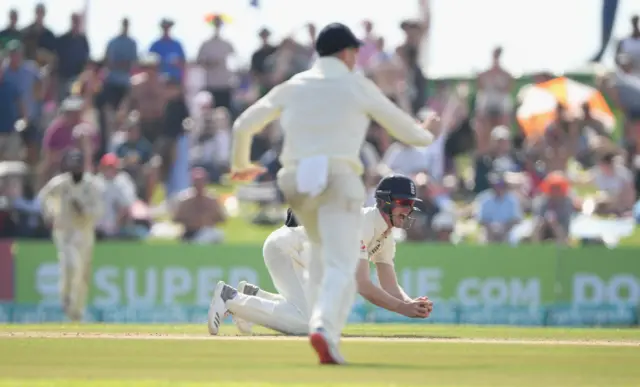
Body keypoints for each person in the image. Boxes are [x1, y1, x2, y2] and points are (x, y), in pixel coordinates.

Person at [228, 22, 438, 365]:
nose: (357, 58)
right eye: (355, 52)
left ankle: (298, 315)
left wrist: (240, 165)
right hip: (337, 180)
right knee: (342, 266)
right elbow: (408, 132)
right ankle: (324, 331)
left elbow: (243, 126)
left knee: (320, 258)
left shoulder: (293, 85)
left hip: (295, 181)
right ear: (344, 53)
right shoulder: (356, 86)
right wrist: (427, 133)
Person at [208, 175, 433, 336]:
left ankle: (253, 297)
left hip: (303, 256)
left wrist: (410, 303)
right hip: (287, 248)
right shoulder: (359, 224)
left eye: (411, 204)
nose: (409, 209)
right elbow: (363, 285)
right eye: (404, 203)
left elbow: (389, 285)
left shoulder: (386, 235)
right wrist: (402, 308)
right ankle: (231, 299)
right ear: (385, 202)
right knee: (308, 323)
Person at [37, 149, 104, 322]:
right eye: (72, 163)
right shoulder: (61, 183)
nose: (75, 166)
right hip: (65, 232)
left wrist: (84, 210)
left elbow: (99, 211)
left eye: (78, 163)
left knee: (82, 274)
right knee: (70, 265)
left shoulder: (92, 185)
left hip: (84, 234)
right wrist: (50, 213)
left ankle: (77, 312)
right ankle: (66, 298)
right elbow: (44, 197)